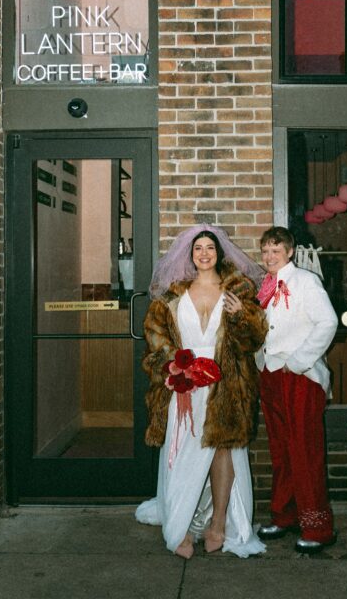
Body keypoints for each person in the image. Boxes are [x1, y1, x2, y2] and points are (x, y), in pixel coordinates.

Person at [135, 224, 267, 559]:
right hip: (186, 384)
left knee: (223, 451)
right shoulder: (173, 295)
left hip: (227, 384)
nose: (204, 254)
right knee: (182, 454)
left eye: (209, 247)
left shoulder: (237, 292)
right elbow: (155, 336)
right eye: (198, 248)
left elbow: (253, 341)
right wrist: (174, 366)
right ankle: (181, 526)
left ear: (218, 253)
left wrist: (241, 317)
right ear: (190, 254)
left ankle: (219, 524)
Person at [255, 226, 339, 553]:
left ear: (290, 252)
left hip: (300, 376)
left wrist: (300, 360)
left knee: (304, 451)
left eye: (276, 250)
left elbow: (328, 323)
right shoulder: (265, 285)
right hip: (271, 374)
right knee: (281, 450)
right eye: (265, 251)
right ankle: (285, 515)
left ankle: (318, 528)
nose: (269, 256)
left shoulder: (306, 281)